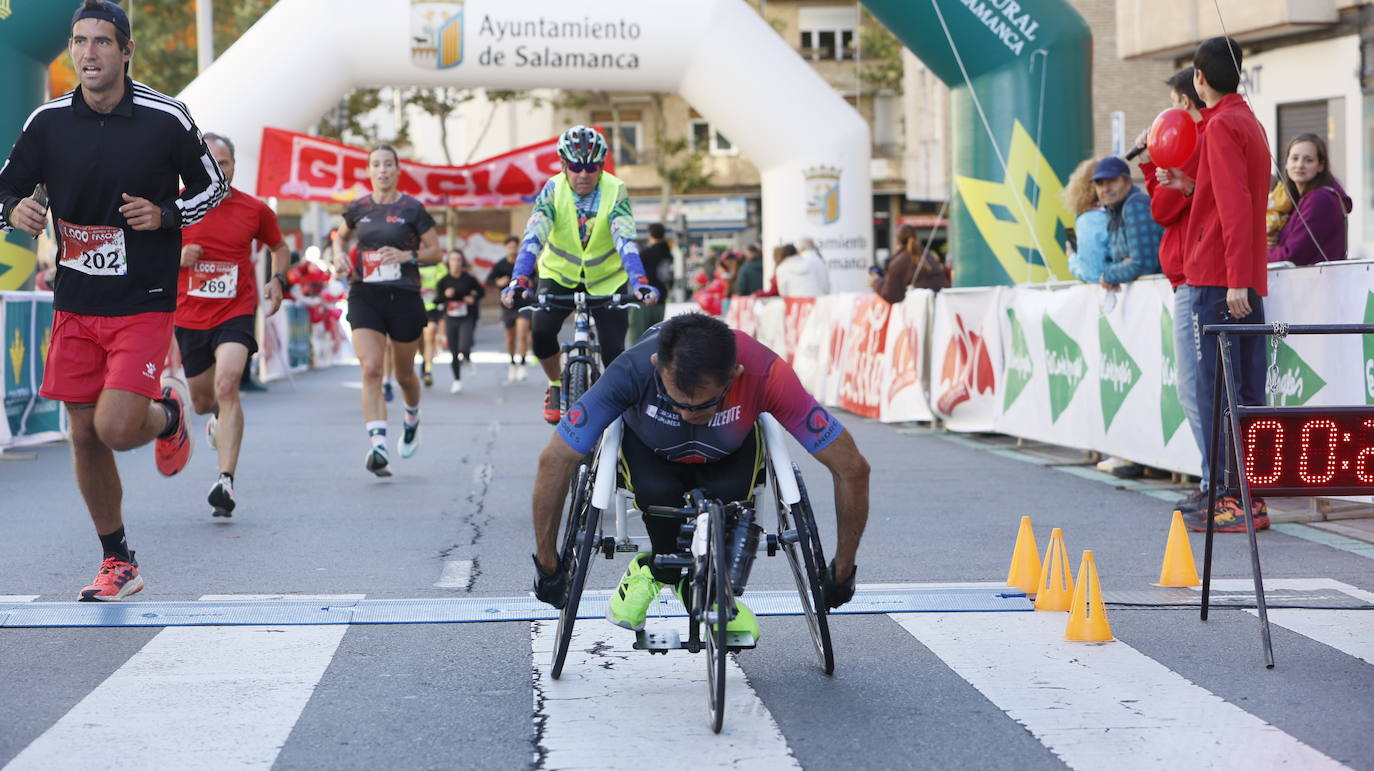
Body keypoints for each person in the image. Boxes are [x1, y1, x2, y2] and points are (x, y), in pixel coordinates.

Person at [0, 0, 227, 600]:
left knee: (117, 428)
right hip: (76, 300)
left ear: (126, 51)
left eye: (102, 41)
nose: (88, 53)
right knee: (83, 435)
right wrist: (13, 210)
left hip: (143, 298)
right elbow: (5, 188)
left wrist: (167, 214)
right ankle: (117, 559)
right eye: (79, 42)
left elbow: (213, 186)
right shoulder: (48, 121)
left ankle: (168, 414)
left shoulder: (165, 117)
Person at [527, 313, 870, 639]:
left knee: (731, 506)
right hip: (651, 453)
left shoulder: (766, 373)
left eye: (704, 404)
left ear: (735, 374)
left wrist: (843, 571)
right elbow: (554, 460)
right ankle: (654, 570)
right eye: (676, 402)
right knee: (659, 501)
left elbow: (852, 468)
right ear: (656, 366)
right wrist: (548, 565)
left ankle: (712, 589)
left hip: (729, 453)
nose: (689, 414)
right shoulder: (630, 370)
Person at [1158, 36, 1273, 532]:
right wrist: (1190, 186)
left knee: (1218, 394)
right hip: (1238, 277)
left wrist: (1235, 279)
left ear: (1199, 79)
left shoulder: (1223, 124)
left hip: (1219, 279)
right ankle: (1250, 498)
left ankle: (1229, 498)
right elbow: (1238, 196)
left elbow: (1234, 206)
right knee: (1244, 393)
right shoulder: (1248, 120)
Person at [501, 125, 659, 424]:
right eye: (575, 167)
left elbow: (625, 238)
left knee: (614, 350)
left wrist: (639, 281)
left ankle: (617, 407)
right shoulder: (553, 189)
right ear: (563, 165)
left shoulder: (615, 189)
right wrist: (519, 278)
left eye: (592, 167)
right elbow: (534, 235)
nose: (583, 174)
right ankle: (555, 385)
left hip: (606, 279)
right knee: (542, 333)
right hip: (558, 275)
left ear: (601, 166)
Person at [173, 132, 289, 518]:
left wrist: (277, 279)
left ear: (234, 166)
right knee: (203, 401)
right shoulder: (177, 205)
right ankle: (217, 422)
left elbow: (279, 247)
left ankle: (226, 481)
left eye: (223, 163)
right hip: (190, 315)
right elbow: (143, 252)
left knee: (227, 384)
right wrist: (177, 256)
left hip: (235, 310)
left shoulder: (254, 209)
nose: (217, 170)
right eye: (210, 163)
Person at [331, 145, 441, 477]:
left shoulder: (412, 209)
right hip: (365, 293)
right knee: (371, 368)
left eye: (388, 164)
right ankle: (378, 446)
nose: (382, 170)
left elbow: (436, 251)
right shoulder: (359, 207)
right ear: (369, 170)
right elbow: (339, 237)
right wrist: (338, 254)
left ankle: (411, 416)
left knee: (405, 374)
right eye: (376, 165)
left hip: (404, 295)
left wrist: (408, 256)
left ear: (397, 169)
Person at [1137, 66, 1209, 510]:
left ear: (1185, 100)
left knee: (1195, 388)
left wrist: (1152, 164)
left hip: (1194, 278)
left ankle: (1216, 483)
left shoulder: (1195, 143)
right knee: (1202, 388)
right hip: (1190, 275)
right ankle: (1217, 481)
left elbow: (1162, 210)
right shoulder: (1203, 140)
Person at [1267, 133, 1351, 265]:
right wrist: (1277, 240)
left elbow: (1292, 255)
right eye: (1294, 158)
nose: (1300, 165)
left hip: (1316, 277)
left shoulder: (1319, 200)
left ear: (1321, 166)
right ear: (1286, 163)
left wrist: (1259, 253)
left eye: (1309, 160)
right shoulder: (1301, 199)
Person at [437, 249, 484, 393]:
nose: (456, 263)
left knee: (464, 346)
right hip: (450, 318)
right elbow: (437, 300)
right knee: (453, 351)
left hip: (466, 317)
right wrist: (445, 296)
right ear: (448, 262)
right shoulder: (443, 281)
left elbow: (481, 292)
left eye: (458, 260)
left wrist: (473, 298)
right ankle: (457, 380)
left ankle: (467, 357)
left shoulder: (469, 279)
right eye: (453, 260)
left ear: (462, 262)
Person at [486, 235, 532, 381]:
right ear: (506, 248)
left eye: (514, 246)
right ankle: (512, 362)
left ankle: (522, 364)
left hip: (524, 303)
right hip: (508, 305)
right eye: (510, 247)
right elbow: (489, 280)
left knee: (522, 334)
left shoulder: (524, 263)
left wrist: (530, 283)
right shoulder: (500, 265)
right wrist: (498, 282)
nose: (512, 249)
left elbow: (536, 278)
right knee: (510, 337)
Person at [629, 222, 674, 343]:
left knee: (639, 338)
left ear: (650, 234)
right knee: (655, 339)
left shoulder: (645, 253)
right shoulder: (668, 253)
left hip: (644, 299)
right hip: (661, 299)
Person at [417, 259, 446, 387]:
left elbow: (444, 280)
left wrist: (434, 286)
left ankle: (428, 371)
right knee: (419, 341)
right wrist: (415, 280)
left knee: (429, 337)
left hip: (432, 307)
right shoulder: (409, 261)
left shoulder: (437, 265)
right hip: (415, 306)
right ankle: (424, 361)